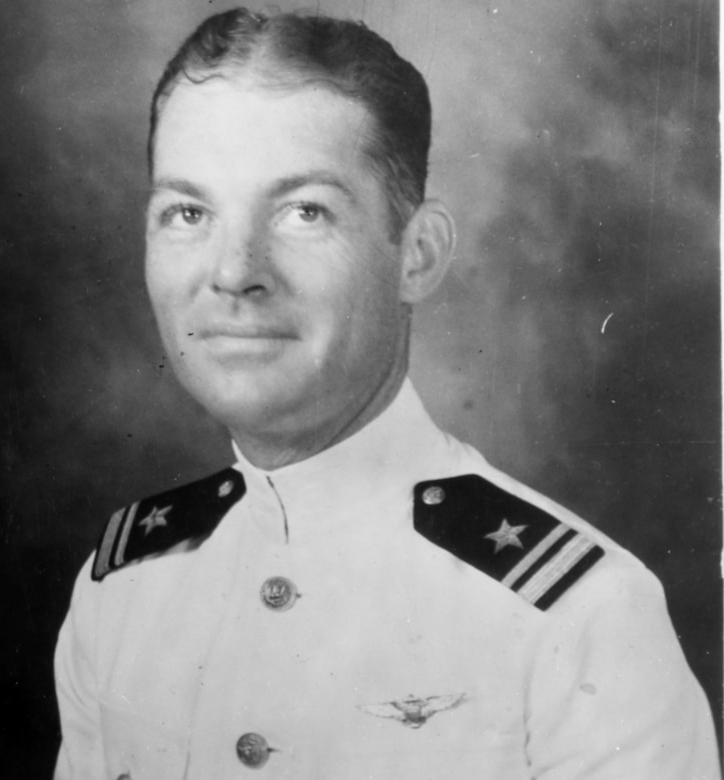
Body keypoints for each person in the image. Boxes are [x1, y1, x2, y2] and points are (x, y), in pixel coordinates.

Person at [53, 8, 720, 779]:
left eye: (305, 211)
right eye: (187, 213)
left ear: (418, 254)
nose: (234, 271)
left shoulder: (582, 618)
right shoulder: (123, 588)